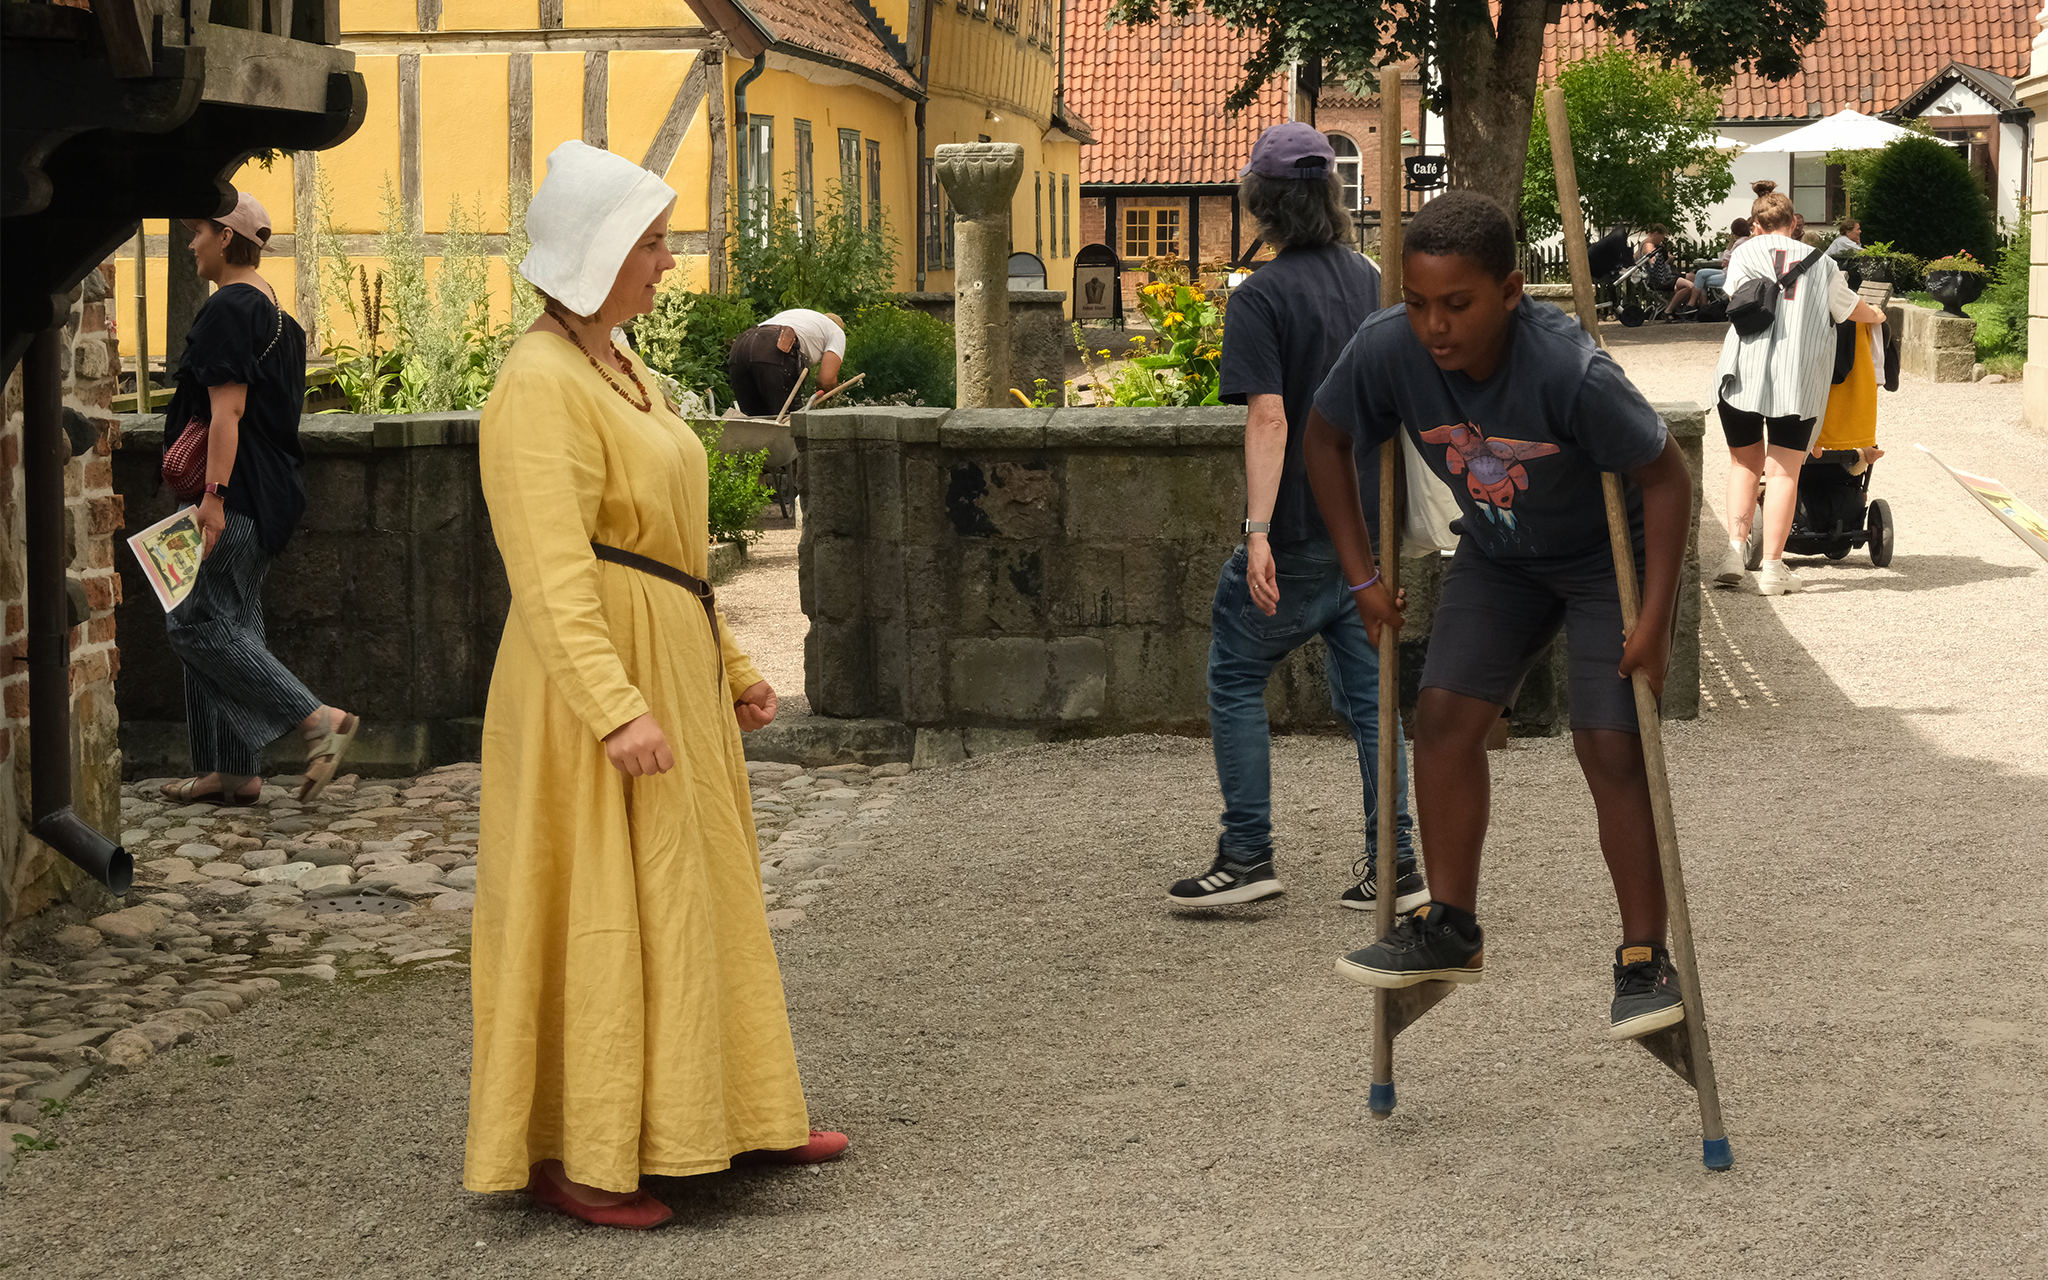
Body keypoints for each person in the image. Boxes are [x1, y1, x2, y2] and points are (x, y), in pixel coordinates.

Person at [466, 141, 843, 1231]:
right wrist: (613, 705)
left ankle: (727, 1113)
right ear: (593, 255)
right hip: (592, 686)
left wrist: (723, 664)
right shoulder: (536, 384)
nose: (668, 262)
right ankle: (581, 1151)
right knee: (601, 909)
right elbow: (548, 569)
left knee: (693, 897)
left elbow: (668, 543)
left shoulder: (617, 364)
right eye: (651, 244)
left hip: (665, 658)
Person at [1301, 190, 1699, 1042]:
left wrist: (1656, 617)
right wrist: (1362, 575)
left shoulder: (1569, 369)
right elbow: (1324, 440)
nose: (1435, 326)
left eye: (1457, 304)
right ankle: (1450, 924)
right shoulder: (1387, 351)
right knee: (1442, 720)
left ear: (1512, 292)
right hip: (1499, 555)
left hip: (1603, 557)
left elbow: (1667, 479)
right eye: (1417, 304)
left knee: (1609, 739)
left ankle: (1643, 956)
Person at [1166, 122, 1421, 914]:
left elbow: (1271, 419)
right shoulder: (1375, 281)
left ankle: (1247, 856)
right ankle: (1399, 862)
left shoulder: (1263, 296)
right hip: (1368, 527)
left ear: (1261, 203)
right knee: (1373, 701)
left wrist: (1258, 533)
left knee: (1236, 674)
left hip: (1307, 525)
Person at [156, 193, 359, 807]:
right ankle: (231, 770)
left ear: (224, 237)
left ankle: (317, 720)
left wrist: (212, 497)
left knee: (194, 622)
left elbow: (229, 410)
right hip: (271, 494)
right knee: (234, 622)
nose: (191, 244)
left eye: (197, 234)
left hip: (231, 494)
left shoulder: (229, 309)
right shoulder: (280, 319)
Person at [1710, 188, 1886, 595]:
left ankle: (1735, 552)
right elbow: (1849, 309)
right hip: (1797, 382)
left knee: (1744, 466)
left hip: (1741, 376)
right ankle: (1773, 569)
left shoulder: (1743, 254)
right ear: (1794, 223)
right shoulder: (1822, 264)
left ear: (1755, 226)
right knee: (1784, 471)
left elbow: (1735, 296)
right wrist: (1875, 313)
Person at [725, 307, 845, 416]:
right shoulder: (836, 331)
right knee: (790, 422)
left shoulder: (803, 317)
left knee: (754, 422)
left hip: (740, 347)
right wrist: (828, 401)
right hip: (776, 347)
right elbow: (826, 381)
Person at [1663, 218, 1748, 319]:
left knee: (1700, 277)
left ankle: (1695, 306)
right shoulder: (1744, 241)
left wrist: (1728, 248)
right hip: (1727, 272)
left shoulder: (1739, 243)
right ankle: (1698, 306)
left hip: (1730, 275)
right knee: (1700, 274)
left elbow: (1726, 260)